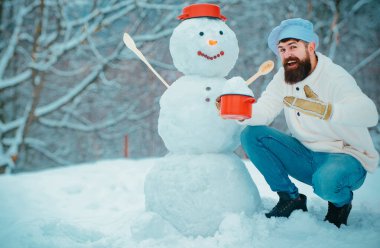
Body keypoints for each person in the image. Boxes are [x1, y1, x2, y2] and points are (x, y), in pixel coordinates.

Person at [238, 18, 379, 227]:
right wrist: (239, 110)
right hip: (305, 155)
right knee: (251, 134)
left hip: (345, 158)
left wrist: (327, 110)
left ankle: (340, 203)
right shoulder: (284, 77)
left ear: (310, 47)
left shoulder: (334, 76)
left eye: (293, 47)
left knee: (326, 183)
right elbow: (265, 111)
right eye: (282, 49)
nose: (287, 54)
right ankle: (290, 199)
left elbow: (369, 114)